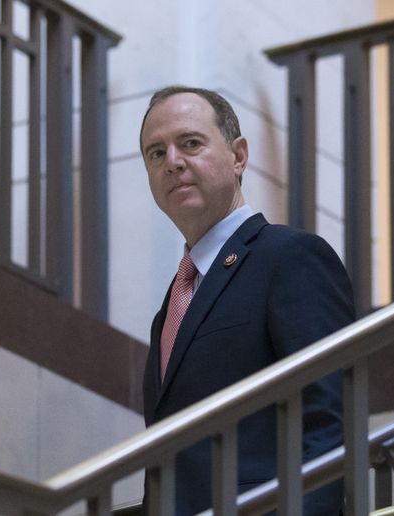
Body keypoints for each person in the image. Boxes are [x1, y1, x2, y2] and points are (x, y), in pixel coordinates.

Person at [139, 86, 355, 515]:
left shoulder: (289, 257)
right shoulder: (173, 302)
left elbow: (330, 424)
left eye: (191, 143)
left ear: (238, 156)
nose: (173, 162)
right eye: (156, 154)